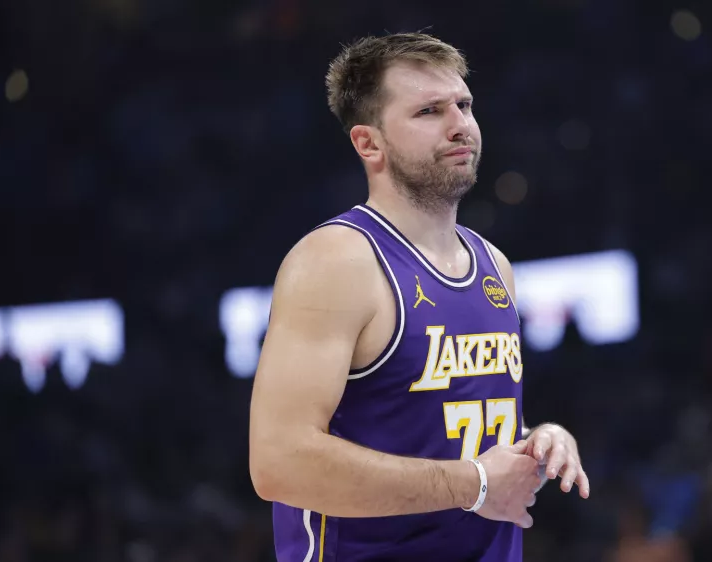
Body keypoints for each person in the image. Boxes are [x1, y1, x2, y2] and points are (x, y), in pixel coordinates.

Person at [248, 31, 589, 562]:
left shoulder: (493, 263)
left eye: (464, 104)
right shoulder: (337, 261)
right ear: (369, 143)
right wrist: (472, 484)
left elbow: (441, 427)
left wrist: (537, 440)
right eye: (429, 111)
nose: (460, 125)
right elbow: (278, 462)